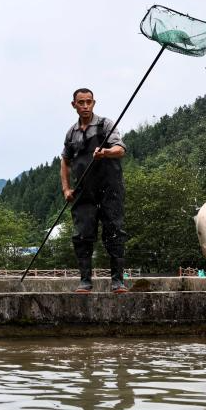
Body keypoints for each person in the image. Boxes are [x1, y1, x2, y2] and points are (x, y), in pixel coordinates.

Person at [61, 88, 128, 293]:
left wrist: (106, 152)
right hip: (84, 192)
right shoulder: (71, 133)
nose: (85, 106)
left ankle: (117, 281)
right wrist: (66, 189)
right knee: (82, 235)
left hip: (110, 189)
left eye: (89, 102)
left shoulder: (106, 125)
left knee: (114, 232)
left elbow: (121, 150)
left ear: (94, 103)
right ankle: (85, 281)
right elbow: (65, 161)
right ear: (74, 105)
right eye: (81, 102)